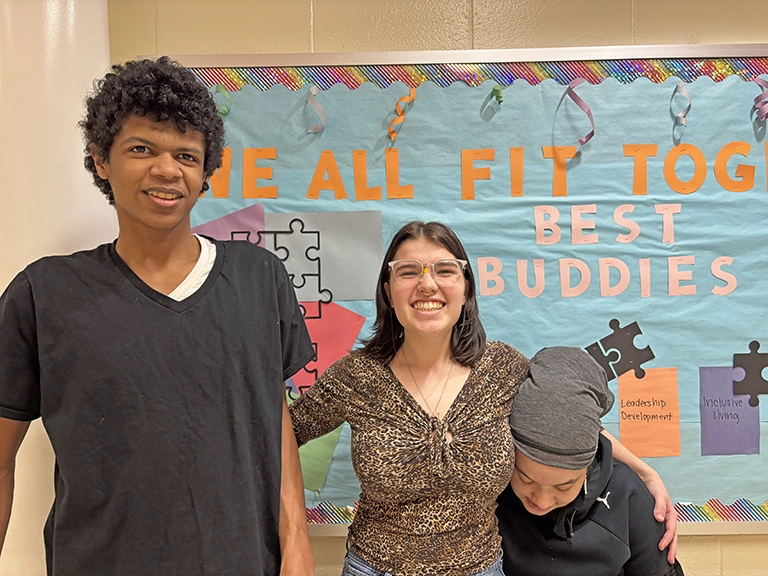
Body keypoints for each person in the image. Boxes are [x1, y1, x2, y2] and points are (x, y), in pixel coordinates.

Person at [0, 57, 315, 575]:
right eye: (141, 149)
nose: (167, 170)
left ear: (205, 171)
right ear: (101, 159)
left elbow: (271, 414)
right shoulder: (45, 293)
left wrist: (297, 542)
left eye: (186, 155)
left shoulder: (259, 278)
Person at [289, 221, 678, 576]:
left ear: (466, 288)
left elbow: (572, 425)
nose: (427, 284)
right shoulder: (358, 376)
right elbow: (280, 435)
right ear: (388, 292)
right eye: (408, 272)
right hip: (373, 568)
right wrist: (289, 533)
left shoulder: (502, 369)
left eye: (444, 270)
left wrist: (645, 473)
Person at [497, 347, 684, 576]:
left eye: (564, 486)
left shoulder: (626, 494)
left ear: (588, 467)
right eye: (526, 480)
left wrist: (646, 474)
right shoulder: (489, 490)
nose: (542, 501)